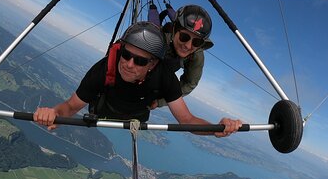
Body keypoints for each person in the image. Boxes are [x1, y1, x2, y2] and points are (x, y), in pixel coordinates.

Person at [33, 21, 241, 137]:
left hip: (137, 116)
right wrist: (53, 113)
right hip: (103, 110)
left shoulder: (165, 78)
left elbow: (187, 120)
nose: (129, 64)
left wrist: (216, 128)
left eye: (140, 61)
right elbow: (70, 107)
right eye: (126, 55)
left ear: (152, 64)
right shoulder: (106, 68)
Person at [154, 5, 214, 108]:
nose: (188, 45)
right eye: (184, 37)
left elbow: (189, 83)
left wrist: (160, 101)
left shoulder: (196, 54)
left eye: (197, 42)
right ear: (174, 30)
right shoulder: (158, 38)